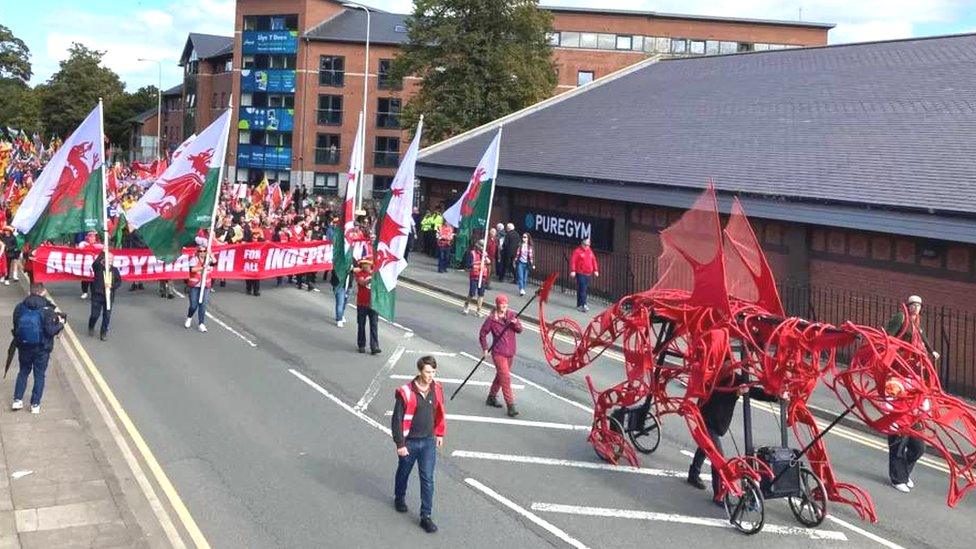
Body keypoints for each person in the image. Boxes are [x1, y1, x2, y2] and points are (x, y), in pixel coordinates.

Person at [687, 372, 777, 505]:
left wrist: (774, 397)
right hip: (707, 421)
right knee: (717, 457)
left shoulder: (733, 378)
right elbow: (718, 394)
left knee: (706, 447)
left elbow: (753, 391)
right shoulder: (717, 376)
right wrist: (736, 392)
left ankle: (693, 475)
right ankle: (719, 495)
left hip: (713, 422)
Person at [883, 295, 937, 493]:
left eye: (919, 305)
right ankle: (898, 478)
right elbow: (887, 338)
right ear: (908, 306)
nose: (916, 308)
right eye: (913, 304)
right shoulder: (901, 318)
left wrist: (931, 352)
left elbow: (923, 340)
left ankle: (904, 471)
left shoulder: (917, 325)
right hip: (898, 393)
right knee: (898, 443)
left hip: (913, 399)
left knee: (918, 448)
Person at [391, 355, 446, 534]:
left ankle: (426, 516)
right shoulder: (406, 392)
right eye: (427, 372)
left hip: (428, 442)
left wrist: (439, 433)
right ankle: (399, 497)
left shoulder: (436, 389)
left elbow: (440, 412)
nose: (431, 375)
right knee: (403, 472)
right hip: (410, 442)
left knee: (428, 479)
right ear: (419, 371)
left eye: (433, 372)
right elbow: (397, 419)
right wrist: (400, 443)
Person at [11, 283, 65, 414]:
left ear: (30, 292)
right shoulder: (47, 310)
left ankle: (17, 400)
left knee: (23, 371)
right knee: (39, 375)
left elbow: (15, 324)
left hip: (24, 346)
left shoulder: (20, 307)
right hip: (42, 348)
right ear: (43, 293)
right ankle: (35, 405)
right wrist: (61, 324)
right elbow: (50, 331)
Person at [479, 294, 524, 417]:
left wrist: (515, 323)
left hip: (510, 352)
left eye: (506, 303)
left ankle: (491, 397)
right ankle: (511, 406)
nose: (504, 305)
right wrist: (485, 349)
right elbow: (482, 334)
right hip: (498, 353)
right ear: (497, 304)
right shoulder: (492, 319)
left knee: (501, 376)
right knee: (506, 378)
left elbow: (520, 330)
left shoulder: (511, 315)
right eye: (501, 303)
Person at [87, 251, 121, 341]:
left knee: (107, 316)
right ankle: (91, 326)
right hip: (97, 295)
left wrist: (112, 286)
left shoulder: (115, 270)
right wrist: (103, 252)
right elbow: (95, 263)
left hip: (109, 296)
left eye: (111, 259)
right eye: (108, 258)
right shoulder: (98, 267)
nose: (110, 260)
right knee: (95, 314)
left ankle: (103, 333)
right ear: (104, 259)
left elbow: (119, 282)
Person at [185, 246, 216, 333]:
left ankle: (201, 323)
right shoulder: (194, 259)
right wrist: (203, 267)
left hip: (205, 286)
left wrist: (211, 254)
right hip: (195, 285)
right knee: (193, 305)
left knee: (203, 305)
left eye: (204, 251)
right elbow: (192, 269)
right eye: (200, 251)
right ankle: (189, 317)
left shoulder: (208, 259)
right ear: (198, 252)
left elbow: (214, 263)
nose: (202, 252)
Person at [354, 257, 380, 354]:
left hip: (374, 304)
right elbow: (362, 282)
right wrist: (371, 278)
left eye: (367, 264)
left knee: (374, 325)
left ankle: (374, 346)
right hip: (362, 304)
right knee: (361, 325)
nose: (365, 266)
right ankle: (361, 345)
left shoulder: (377, 275)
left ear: (371, 265)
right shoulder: (359, 274)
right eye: (363, 264)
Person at [569, 238, 599, 312]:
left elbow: (593, 260)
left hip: (588, 273)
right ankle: (583, 304)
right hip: (580, 273)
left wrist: (596, 270)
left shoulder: (590, 251)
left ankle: (579, 304)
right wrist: (573, 270)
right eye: (585, 245)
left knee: (581, 289)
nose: (587, 247)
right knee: (583, 288)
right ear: (582, 244)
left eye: (588, 245)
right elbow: (573, 261)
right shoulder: (577, 251)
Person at [462, 241, 490, 316]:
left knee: (481, 294)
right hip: (474, 276)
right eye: (481, 246)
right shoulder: (472, 253)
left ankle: (478, 311)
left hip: (482, 276)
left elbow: (488, 262)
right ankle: (466, 305)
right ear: (477, 246)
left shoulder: (484, 254)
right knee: (472, 293)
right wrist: (478, 264)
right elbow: (468, 265)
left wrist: (485, 257)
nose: (482, 248)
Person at [77, 230, 102, 299]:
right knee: (85, 279)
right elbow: (80, 250)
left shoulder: (99, 245)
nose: (92, 238)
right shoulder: (83, 244)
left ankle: (94, 293)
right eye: (90, 237)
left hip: (95, 265)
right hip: (86, 265)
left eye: (93, 237)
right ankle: (84, 292)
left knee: (94, 280)